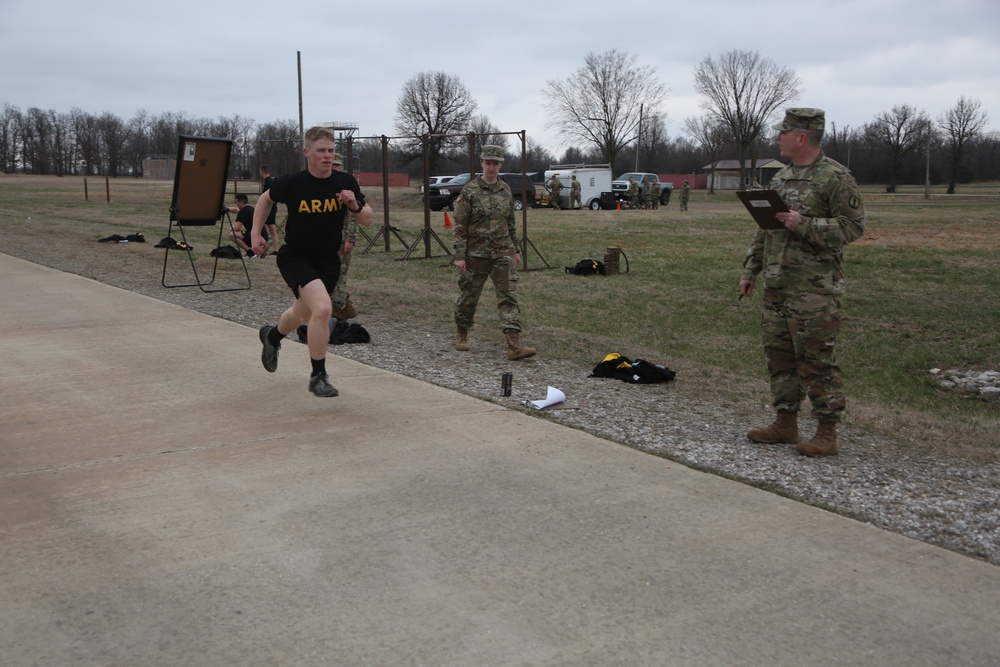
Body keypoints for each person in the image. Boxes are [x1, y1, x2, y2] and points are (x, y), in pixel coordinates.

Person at [739, 108, 865, 456]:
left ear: (801, 137)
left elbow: (853, 228)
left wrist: (803, 223)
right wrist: (752, 270)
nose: (778, 137)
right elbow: (765, 228)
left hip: (815, 290)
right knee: (779, 357)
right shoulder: (781, 178)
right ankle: (786, 423)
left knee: (816, 361)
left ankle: (827, 433)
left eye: (783, 132)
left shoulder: (836, 177)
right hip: (778, 284)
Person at [251, 126, 374, 397]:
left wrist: (353, 205)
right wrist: (255, 232)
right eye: (321, 151)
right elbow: (265, 199)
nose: (327, 156)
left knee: (302, 313)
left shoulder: (345, 183)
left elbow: (366, 219)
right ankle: (318, 375)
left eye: (331, 150)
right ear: (308, 153)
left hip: (328, 262)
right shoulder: (293, 182)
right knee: (322, 309)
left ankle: (272, 336)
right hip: (296, 257)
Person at [452, 144, 536, 361]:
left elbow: (511, 222)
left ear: (501, 164)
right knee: (469, 296)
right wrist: (460, 256)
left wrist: (515, 249)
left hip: (502, 252)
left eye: (495, 163)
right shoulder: (469, 191)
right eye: (488, 163)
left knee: (508, 296)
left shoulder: (505, 190)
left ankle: (514, 344)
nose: (491, 168)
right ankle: (462, 332)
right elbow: (460, 226)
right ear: (481, 163)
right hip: (476, 254)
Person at [330, 154, 371, 320]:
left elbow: (354, 215)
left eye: (337, 166)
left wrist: (350, 239)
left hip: (342, 237)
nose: (335, 168)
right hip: (327, 238)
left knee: (340, 274)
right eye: (333, 165)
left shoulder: (346, 187)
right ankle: (342, 306)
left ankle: (339, 309)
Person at [226, 193, 276, 258]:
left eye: (236, 202)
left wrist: (231, 228)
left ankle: (251, 253)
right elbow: (236, 209)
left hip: (256, 236)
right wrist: (226, 208)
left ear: (241, 202)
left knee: (232, 234)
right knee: (242, 232)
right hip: (263, 236)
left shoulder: (242, 212)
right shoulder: (250, 209)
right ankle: (258, 251)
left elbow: (237, 227)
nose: (236, 204)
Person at [259, 164, 281, 236]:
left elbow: (269, 195)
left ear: (262, 172)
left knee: (272, 229)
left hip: (270, 208)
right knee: (265, 227)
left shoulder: (269, 181)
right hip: (270, 207)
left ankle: (275, 247)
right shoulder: (270, 180)